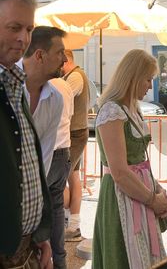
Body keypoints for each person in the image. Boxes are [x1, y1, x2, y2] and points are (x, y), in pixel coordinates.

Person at [92, 49, 167, 269]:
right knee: (123, 257)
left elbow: (141, 163)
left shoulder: (133, 109)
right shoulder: (111, 111)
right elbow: (119, 172)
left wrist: (157, 190)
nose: (150, 85)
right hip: (121, 197)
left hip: (139, 192)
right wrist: (152, 199)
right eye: (148, 79)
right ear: (133, 76)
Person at [0, 0, 52, 268]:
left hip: (27, 246)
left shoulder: (15, 82)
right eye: (14, 27)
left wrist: (39, 234)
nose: (23, 38)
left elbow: (26, 164)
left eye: (29, 29)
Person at [18, 26, 66, 175]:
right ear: (39, 56)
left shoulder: (55, 99)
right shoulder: (5, 84)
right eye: (60, 52)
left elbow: (44, 157)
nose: (65, 59)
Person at [62, 49, 90, 241]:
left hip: (74, 133)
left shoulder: (75, 77)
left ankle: (70, 223)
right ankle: (72, 224)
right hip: (75, 132)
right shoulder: (75, 76)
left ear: (65, 61)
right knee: (73, 178)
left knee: (58, 179)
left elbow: (60, 100)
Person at [48, 77, 74, 269]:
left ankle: (39, 258)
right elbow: (70, 117)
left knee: (36, 210)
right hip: (63, 150)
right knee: (56, 208)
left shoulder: (41, 85)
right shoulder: (65, 85)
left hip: (48, 152)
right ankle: (60, 261)